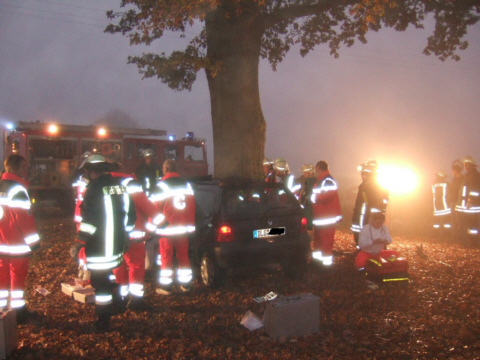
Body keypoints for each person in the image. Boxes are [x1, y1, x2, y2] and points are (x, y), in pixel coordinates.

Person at [70, 154, 136, 333]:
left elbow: (89, 222)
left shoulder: (93, 189)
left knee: (100, 285)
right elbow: (131, 216)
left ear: (91, 171)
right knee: (108, 275)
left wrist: (79, 242)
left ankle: (103, 320)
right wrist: (127, 237)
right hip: (117, 246)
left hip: (100, 247)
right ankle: (118, 302)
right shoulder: (120, 187)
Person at [109, 163, 164, 311]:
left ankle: (121, 297)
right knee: (136, 266)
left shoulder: (103, 184)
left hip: (113, 235)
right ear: (122, 170)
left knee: (118, 266)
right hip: (134, 235)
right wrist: (161, 221)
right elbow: (145, 205)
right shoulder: (130, 184)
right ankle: (136, 301)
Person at [0, 155, 41, 323]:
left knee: (1, 276)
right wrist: (35, 243)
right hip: (17, 244)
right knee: (17, 277)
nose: (26, 171)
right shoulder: (18, 190)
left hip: (1, 244)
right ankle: (19, 312)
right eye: (23, 167)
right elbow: (24, 220)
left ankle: (2, 308)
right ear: (16, 168)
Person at [150, 159, 196, 295]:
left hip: (167, 229)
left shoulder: (161, 185)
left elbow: (154, 208)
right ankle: (186, 285)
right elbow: (193, 206)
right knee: (183, 257)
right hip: (183, 228)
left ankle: (166, 287)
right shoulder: (187, 185)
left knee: (166, 257)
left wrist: (152, 227)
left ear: (165, 169)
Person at [310, 160, 342, 266]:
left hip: (326, 218)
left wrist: (311, 198)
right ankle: (318, 262)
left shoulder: (327, 180)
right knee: (319, 242)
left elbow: (326, 196)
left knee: (326, 242)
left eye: (315, 168)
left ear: (318, 168)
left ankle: (326, 265)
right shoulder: (321, 180)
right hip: (320, 218)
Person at [351, 160, 389, 247]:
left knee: (371, 236)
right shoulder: (363, 186)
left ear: (369, 175)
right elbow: (360, 203)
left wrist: (372, 217)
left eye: (363, 174)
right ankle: (360, 251)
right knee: (359, 235)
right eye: (362, 174)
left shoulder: (374, 187)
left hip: (368, 218)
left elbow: (376, 205)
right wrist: (354, 212)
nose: (362, 176)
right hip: (361, 217)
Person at [455, 155, 480, 246]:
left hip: (473, 206)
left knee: (472, 225)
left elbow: (475, 189)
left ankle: (474, 243)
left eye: (465, 165)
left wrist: (471, 200)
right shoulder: (468, 175)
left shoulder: (475, 175)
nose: (464, 166)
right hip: (467, 205)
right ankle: (470, 242)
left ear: (470, 165)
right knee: (469, 225)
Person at [431, 170, 452, 239]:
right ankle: (447, 236)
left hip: (436, 207)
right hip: (445, 207)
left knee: (436, 223)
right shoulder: (447, 184)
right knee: (447, 223)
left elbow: (430, 195)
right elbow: (450, 194)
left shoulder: (433, 185)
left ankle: (435, 236)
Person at [297, 164, 315, 232]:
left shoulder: (312, 181)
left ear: (310, 172)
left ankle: (310, 233)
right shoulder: (305, 181)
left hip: (309, 206)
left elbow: (310, 193)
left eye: (306, 172)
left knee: (309, 223)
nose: (304, 173)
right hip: (305, 205)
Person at [450, 160, 463, 242]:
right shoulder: (454, 180)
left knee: (459, 222)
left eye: (452, 170)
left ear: (455, 171)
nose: (452, 172)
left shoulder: (462, 179)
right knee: (453, 221)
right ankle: (454, 237)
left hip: (459, 203)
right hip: (453, 202)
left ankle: (459, 238)